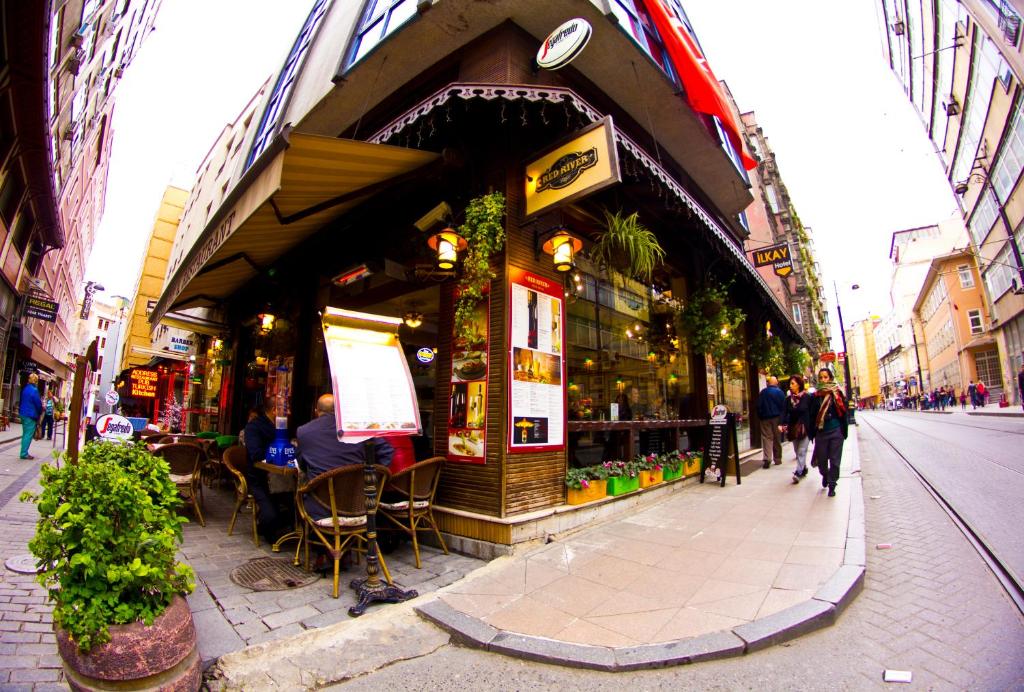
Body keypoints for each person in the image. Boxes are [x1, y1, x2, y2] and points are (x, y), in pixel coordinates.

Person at [296, 394, 393, 521]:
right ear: (340, 410)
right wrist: (371, 477)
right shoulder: (358, 429)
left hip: (321, 509)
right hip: (358, 506)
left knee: (299, 492)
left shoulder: (304, 432)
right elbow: (386, 452)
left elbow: (302, 464)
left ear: (316, 411)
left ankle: (308, 538)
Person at [243, 400, 282, 541]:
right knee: (271, 516)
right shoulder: (254, 427)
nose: (289, 412)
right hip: (259, 478)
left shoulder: (281, 426)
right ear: (274, 410)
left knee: (298, 508)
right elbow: (256, 454)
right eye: (286, 408)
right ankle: (268, 529)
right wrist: (278, 454)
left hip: (282, 478)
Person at [808, 367, 849, 498]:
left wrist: (843, 431)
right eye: (821, 377)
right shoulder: (815, 396)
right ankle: (825, 474)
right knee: (822, 461)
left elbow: (844, 411)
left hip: (836, 431)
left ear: (830, 378)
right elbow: (811, 415)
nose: (823, 380)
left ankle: (832, 484)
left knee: (835, 460)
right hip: (821, 432)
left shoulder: (837, 393)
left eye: (826, 377)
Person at [782, 374, 811, 484]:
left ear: (799, 385)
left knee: (801, 451)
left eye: (792, 383)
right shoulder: (788, 399)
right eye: (790, 383)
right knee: (796, 450)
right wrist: (782, 424)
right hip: (793, 428)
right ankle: (803, 468)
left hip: (805, 428)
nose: (790, 386)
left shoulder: (807, 397)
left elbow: (812, 412)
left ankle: (798, 472)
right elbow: (784, 412)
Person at [756, 376, 786, 469]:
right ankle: (777, 459)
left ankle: (767, 458)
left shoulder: (763, 392)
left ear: (768, 383)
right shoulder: (780, 393)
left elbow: (758, 405)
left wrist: (760, 416)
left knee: (766, 438)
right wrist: (782, 420)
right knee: (777, 438)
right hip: (776, 418)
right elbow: (783, 408)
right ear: (776, 383)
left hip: (765, 418)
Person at [18, 374, 43, 460]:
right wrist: (40, 411)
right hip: (30, 415)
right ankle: (24, 453)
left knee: (25, 434)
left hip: (23, 413)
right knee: (28, 435)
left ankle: (23, 451)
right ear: (36, 381)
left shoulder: (25, 388)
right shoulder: (34, 390)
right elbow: (38, 404)